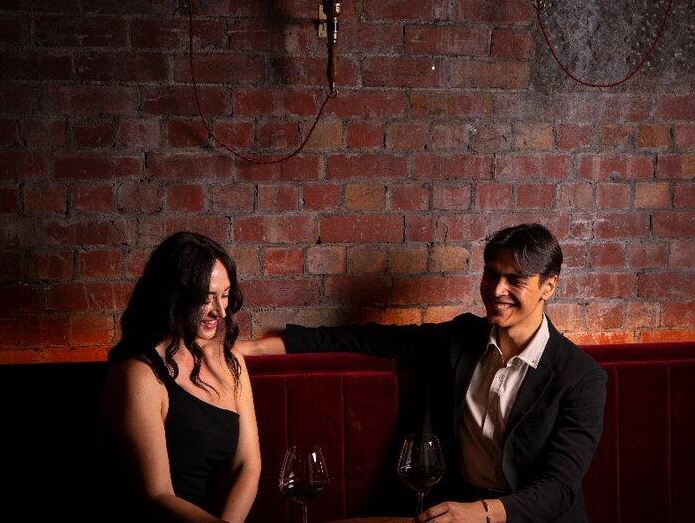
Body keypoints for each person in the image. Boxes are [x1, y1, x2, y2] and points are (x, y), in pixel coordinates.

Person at [237, 223, 606, 523]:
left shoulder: (580, 376)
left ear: (549, 286)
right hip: (449, 511)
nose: (496, 290)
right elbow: (369, 339)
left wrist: (481, 513)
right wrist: (258, 347)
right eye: (491, 274)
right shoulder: (461, 339)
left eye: (515, 280)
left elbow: (559, 488)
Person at [102, 231, 261, 522]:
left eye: (224, 296)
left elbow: (248, 464)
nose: (220, 312)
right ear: (172, 296)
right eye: (206, 298)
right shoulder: (139, 374)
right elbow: (156, 495)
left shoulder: (230, 360)